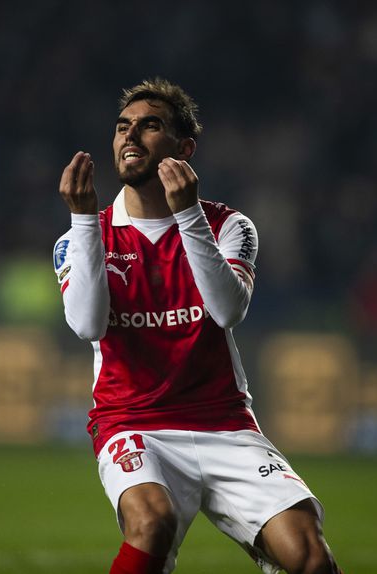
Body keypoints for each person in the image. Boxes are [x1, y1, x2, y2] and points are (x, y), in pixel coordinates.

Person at [53, 78, 340, 574]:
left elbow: (228, 311)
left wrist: (186, 213)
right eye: (123, 127)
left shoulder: (230, 225)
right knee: (152, 523)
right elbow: (87, 324)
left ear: (184, 149)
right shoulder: (82, 235)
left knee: (310, 557)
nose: (130, 137)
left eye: (150, 126)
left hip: (224, 423)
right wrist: (81, 220)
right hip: (134, 423)